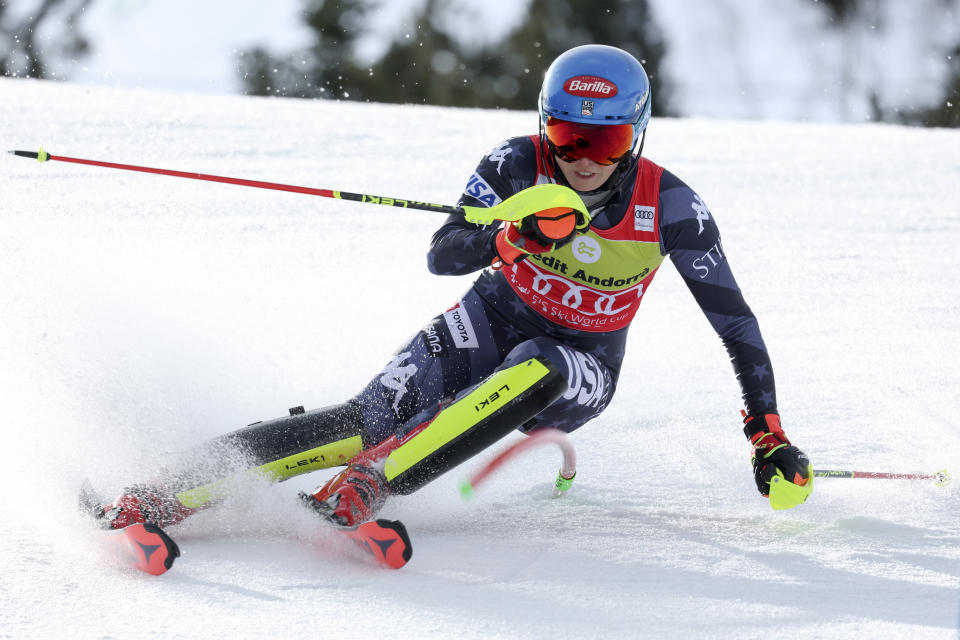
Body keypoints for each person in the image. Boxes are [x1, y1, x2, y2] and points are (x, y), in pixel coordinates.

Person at [95, 44, 812, 533]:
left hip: (581, 368)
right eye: (566, 136)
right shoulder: (513, 164)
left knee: (544, 362)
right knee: (361, 420)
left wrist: (766, 436)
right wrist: (511, 237)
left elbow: (736, 326)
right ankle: (159, 494)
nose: (583, 159)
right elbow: (444, 254)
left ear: (638, 136)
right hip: (489, 317)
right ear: (542, 126)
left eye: (606, 143)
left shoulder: (674, 209)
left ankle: (369, 486)